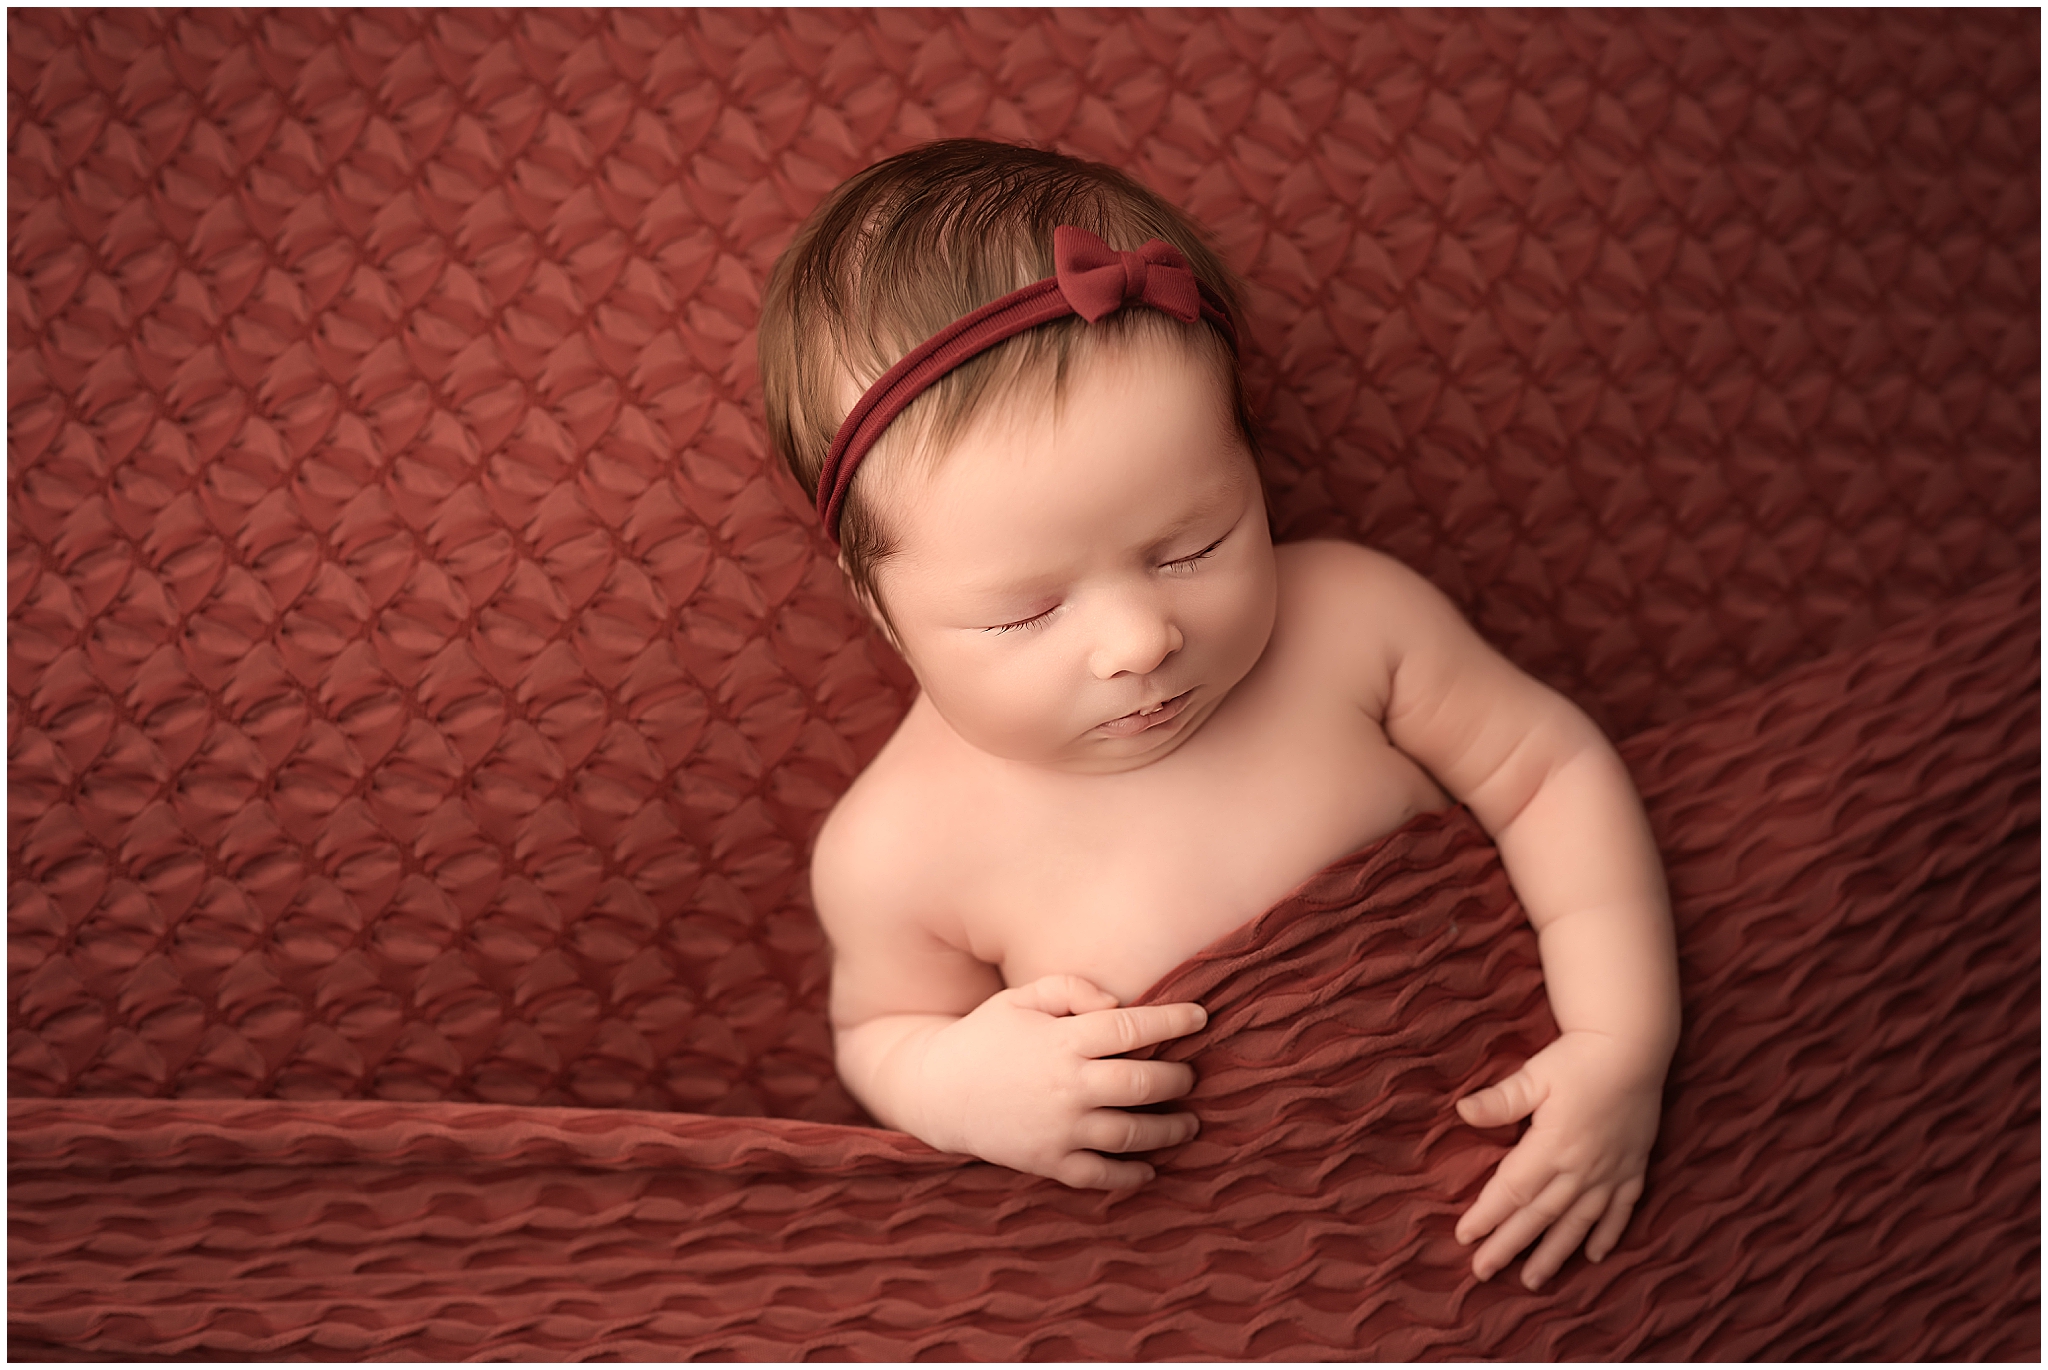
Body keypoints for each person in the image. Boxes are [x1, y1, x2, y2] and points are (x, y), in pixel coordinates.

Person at [757, 139, 1680, 1293]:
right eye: (1023, 613)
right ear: (883, 613)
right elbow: (879, 1031)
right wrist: (953, 1084)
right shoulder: (896, 845)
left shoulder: (1352, 619)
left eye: (1192, 545)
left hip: (1531, 1156)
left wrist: (1618, 1040)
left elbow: (1549, 775)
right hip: (1245, 1273)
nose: (1140, 640)